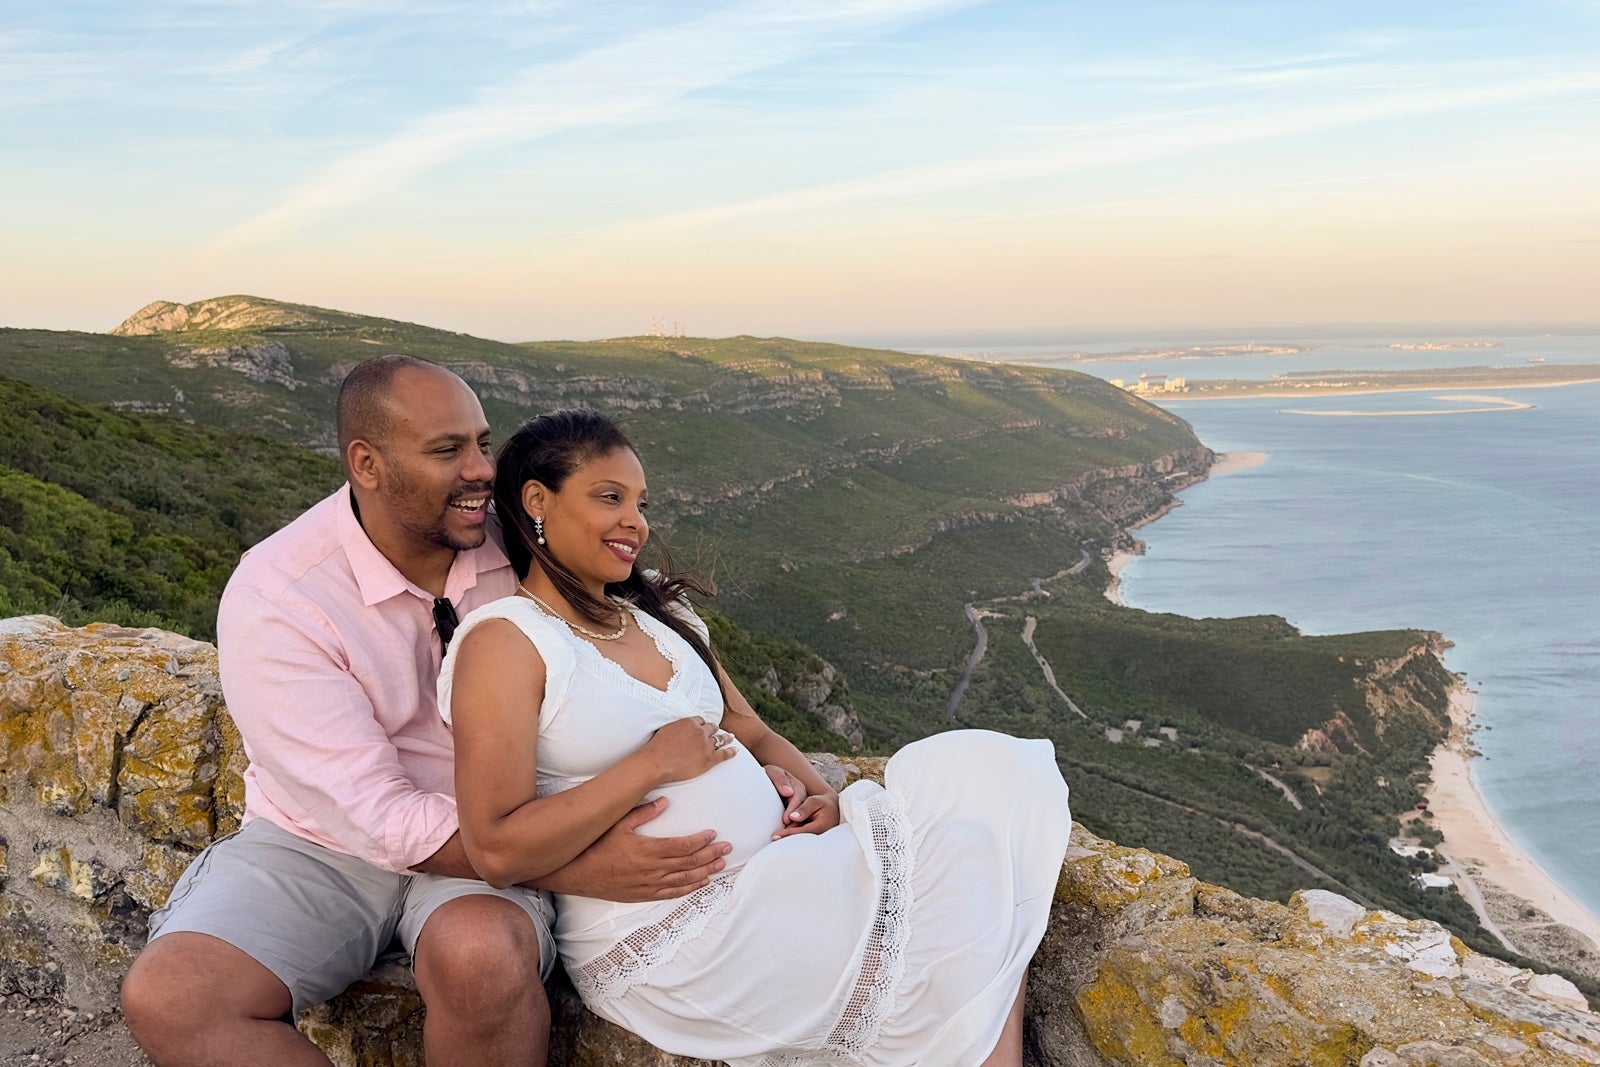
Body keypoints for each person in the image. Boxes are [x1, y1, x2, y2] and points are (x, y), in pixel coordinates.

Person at [120, 357, 732, 1067]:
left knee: (480, 958)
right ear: (367, 463)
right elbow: (371, 813)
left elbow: (642, 610)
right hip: (325, 843)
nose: (480, 470)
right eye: (448, 451)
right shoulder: (280, 595)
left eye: (481, 442)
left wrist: (762, 749)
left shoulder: (514, 537)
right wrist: (576, 862)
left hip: (496, 825)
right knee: (174, 996)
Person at [441, 408, 1072, 1067]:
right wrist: (651, 765)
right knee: (968, 908)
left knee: (982, 832)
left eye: (641, 502)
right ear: (538, 499)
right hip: (669, 930)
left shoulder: (656, 611)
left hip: (771, 870)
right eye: (610, 497)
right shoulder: (508, 641)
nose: (637, 521)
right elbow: (496, 845)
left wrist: (821, 793)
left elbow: (747, 726)